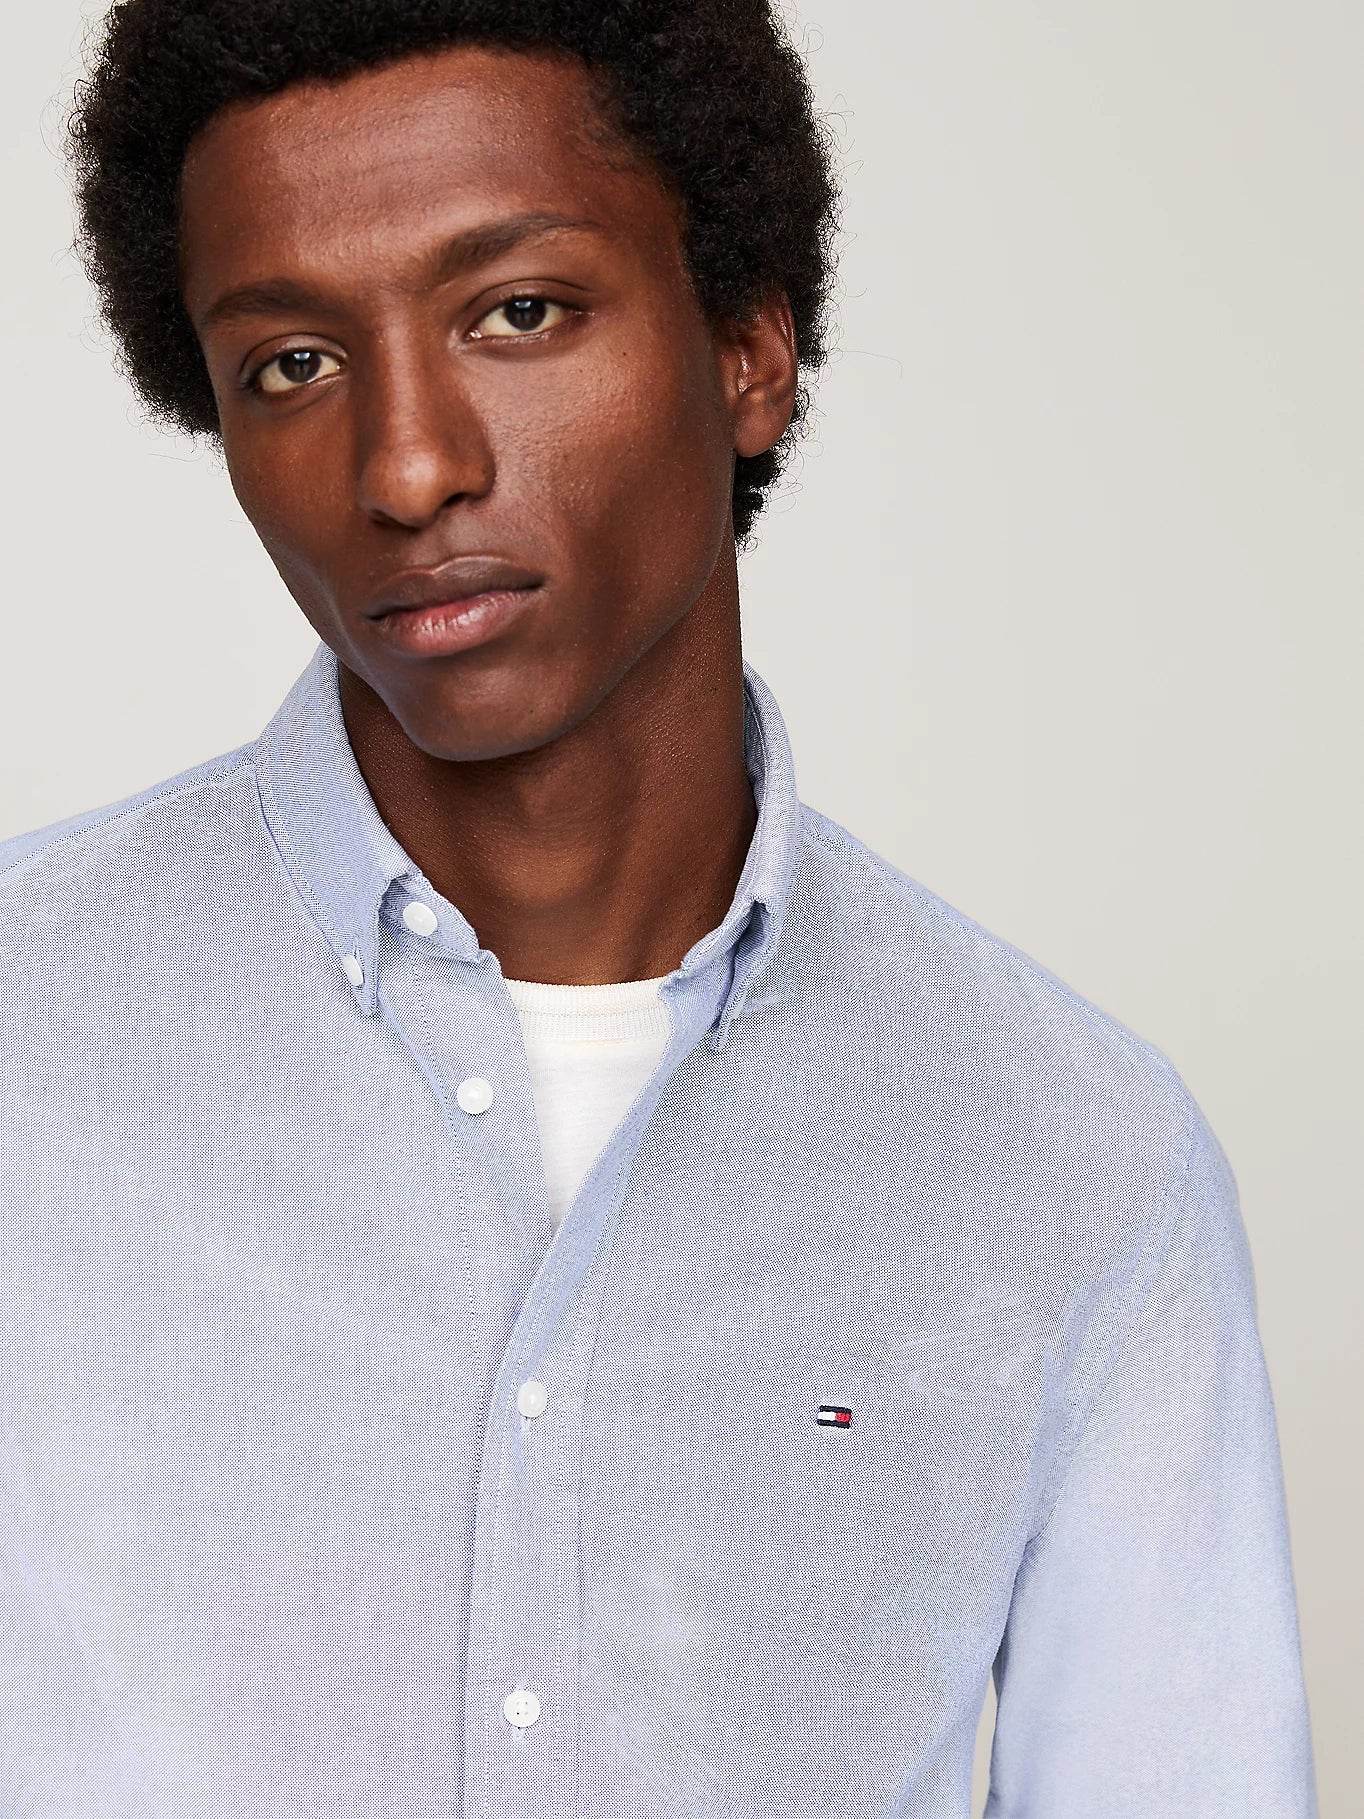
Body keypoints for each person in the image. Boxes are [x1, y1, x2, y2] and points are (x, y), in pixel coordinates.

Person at [1, 2, 1317, 1815]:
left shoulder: (1074, 1162)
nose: (406, 468)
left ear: (749, 350)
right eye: (293, 363)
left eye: (518, 312)